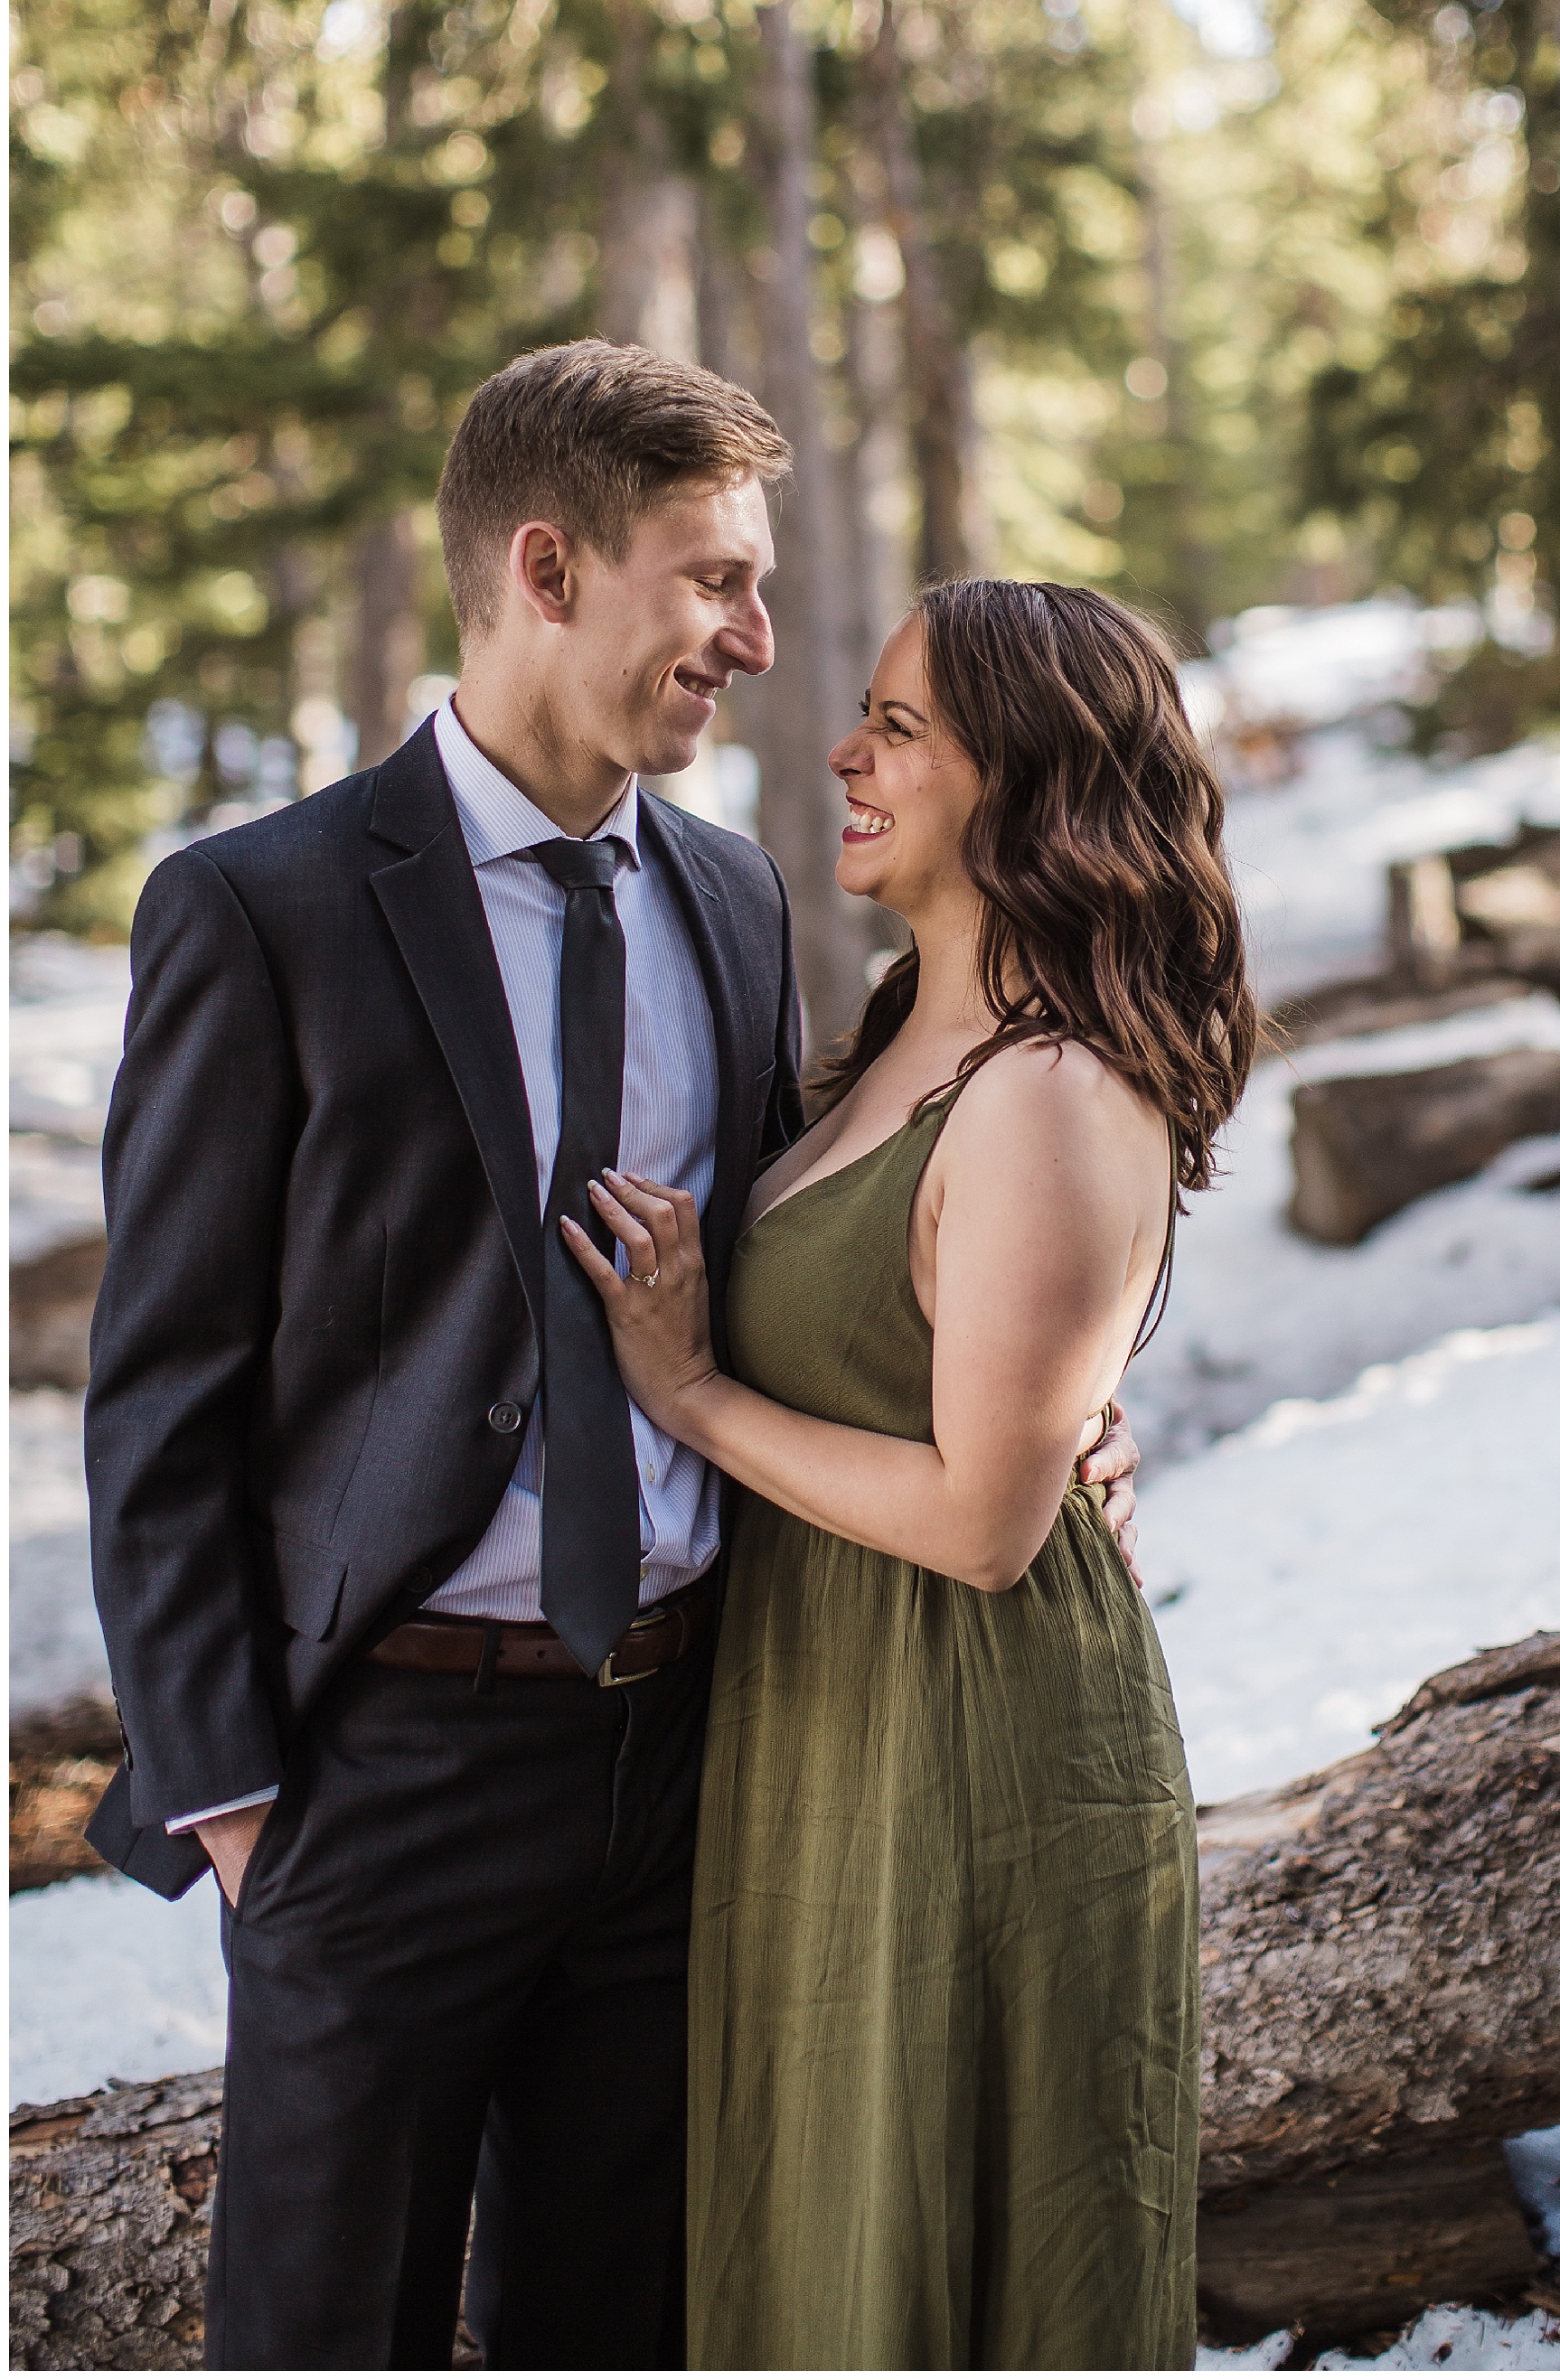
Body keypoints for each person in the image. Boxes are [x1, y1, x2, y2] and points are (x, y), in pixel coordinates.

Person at [81, 342, 1145, 2370]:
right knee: (327, 2329)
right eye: (716, 582)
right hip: (376, 1769)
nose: (757, 641)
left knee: (624, 2319)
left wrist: (1052, 1402)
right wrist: (233, 1799)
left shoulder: (737, 902)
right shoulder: (263, 907)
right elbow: (159, 1391)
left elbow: (803, 1270)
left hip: (690, 1761)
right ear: (550, 568)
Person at [569, 576, 1255, 2372]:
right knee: (818, 2251)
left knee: (944, 2263)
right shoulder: (895, 1037)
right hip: (831, 1721)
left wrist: (691, 1389)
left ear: (1024, 780)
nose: (844, 750)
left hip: (973, 1750)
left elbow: (978, 1519)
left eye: (898, 726)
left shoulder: (1045, 1085)